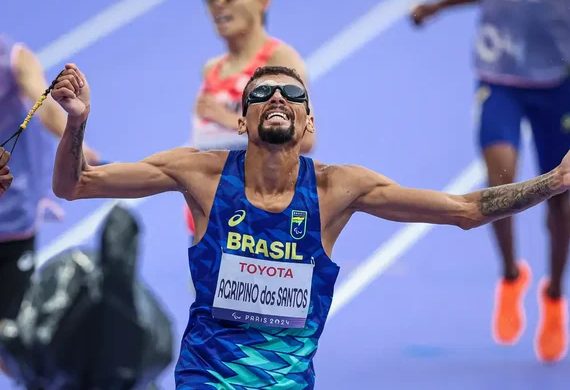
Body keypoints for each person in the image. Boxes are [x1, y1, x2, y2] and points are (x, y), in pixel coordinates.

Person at [51, 63, 570, 389]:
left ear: (309, 122)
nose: (277, 98)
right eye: (262, 94)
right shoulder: (199, 174)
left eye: (291, 94)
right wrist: (76, 122)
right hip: (205, 380)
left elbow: (465, 210)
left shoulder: (338, 190)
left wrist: (553, 182)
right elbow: (75, 186)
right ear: (242, 121)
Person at [410, 0, 570, 362]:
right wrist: (437, 7)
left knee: (562, 200)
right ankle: (512, 277)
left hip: (557, 86)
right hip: (499, 81)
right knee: (501, 183)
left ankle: (554, 297)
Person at [0, 34, 99, 375]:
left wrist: (75, 141)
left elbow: (43, 109)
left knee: (9, 338)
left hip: (11, 219)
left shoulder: (13, 59)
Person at [186, 0, 314, 238]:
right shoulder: (211, 69)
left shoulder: (280, 60)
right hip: (210, 214)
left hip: (261, 221)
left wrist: (226, 118)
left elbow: (305, 138)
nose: (219, 4)